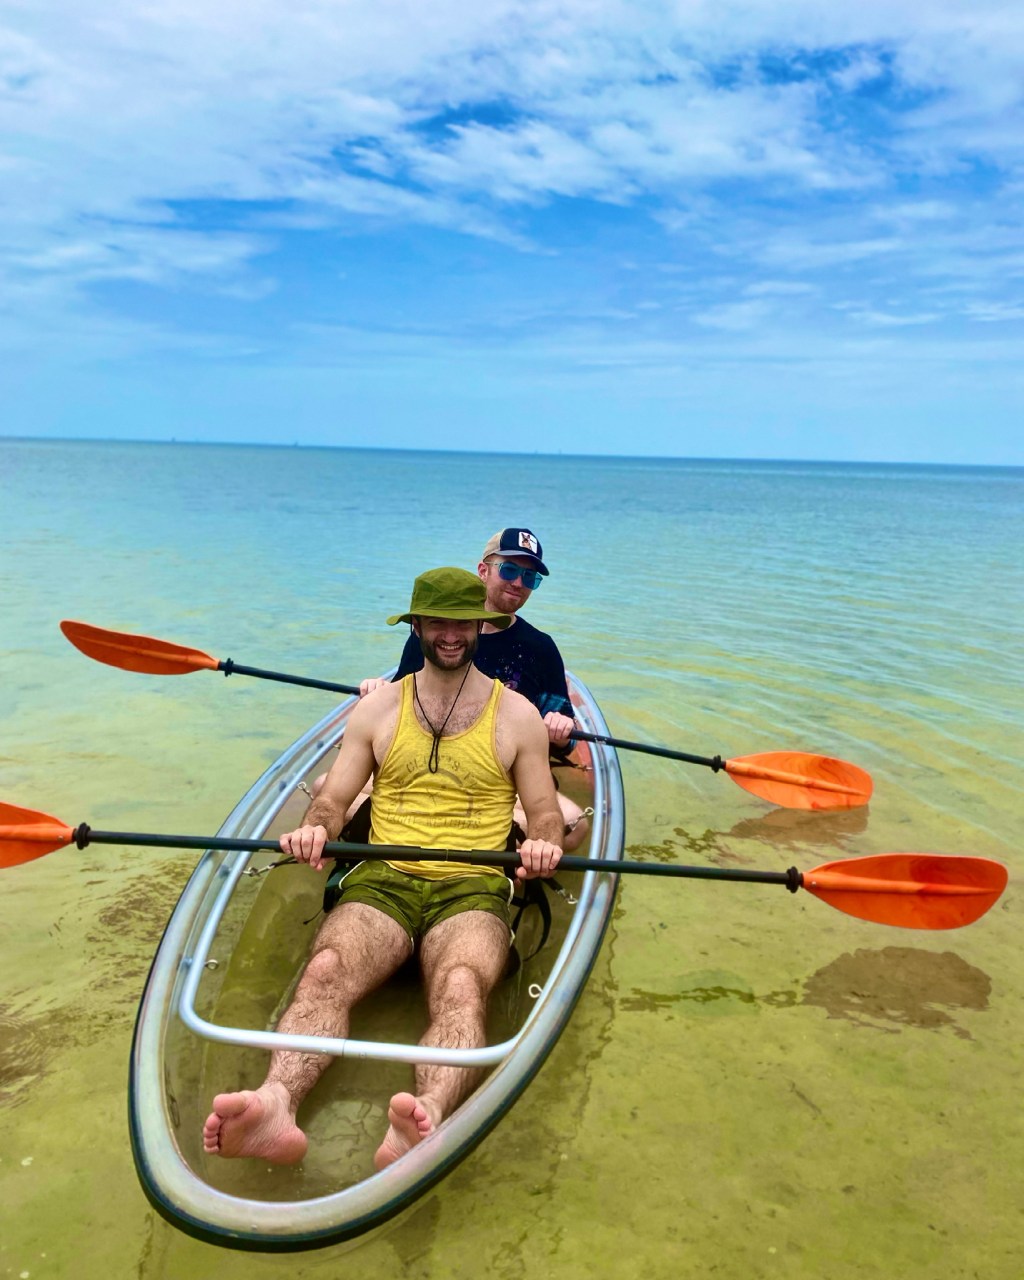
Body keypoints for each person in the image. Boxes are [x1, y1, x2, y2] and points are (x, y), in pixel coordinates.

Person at [202, 567, 564, 1172]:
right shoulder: (378, 710)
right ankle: (275, 1102)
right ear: (417, 625)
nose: (451, 634)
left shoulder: (519, 716)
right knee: (325, 970)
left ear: (482, 627)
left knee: (460, 988)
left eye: (463, 622)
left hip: (472, 886)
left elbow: (546, 811)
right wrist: (318, 824)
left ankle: (425, 1116)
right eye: (438, 621)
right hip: (383, 876)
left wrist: (544, 844)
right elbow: (335, 798)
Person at [359, 527, 589, 849]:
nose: (518, 583)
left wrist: (562, 729)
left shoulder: (541, 647)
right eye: (509, 570)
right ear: (483, 570)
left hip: (504, 777)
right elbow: (402, 698)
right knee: (328, 785)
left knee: (574, 824)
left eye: (530, 578)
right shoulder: (433, 639)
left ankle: (507, 872)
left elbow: (564, 735)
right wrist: (380, 691)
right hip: (424, 763)